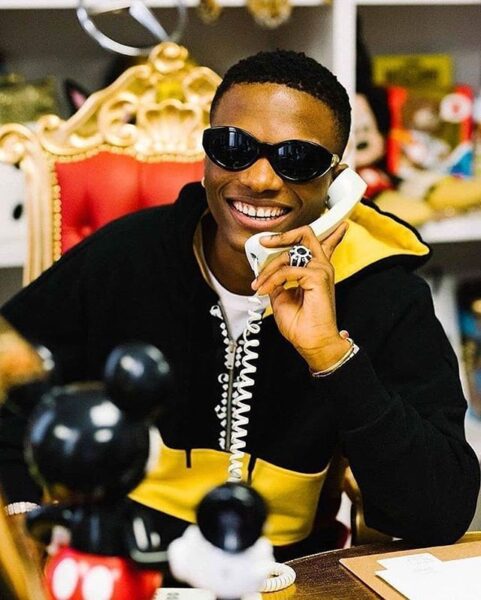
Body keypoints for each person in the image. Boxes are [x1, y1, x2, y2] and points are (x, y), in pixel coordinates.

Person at [0, 49, 479, 561]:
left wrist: (330, 355)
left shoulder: (381, 289)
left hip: (290, 573)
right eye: (233, 147)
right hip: (123, 563)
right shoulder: (126, 255)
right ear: (206, 155)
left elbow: (440, 512)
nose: (259, 180)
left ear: (337, 179)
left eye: (297, 159)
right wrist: (26, 516)